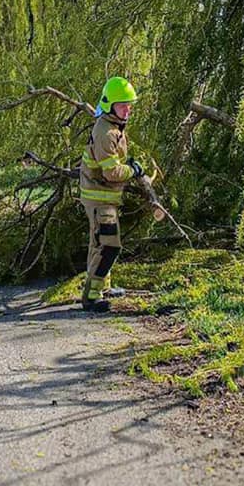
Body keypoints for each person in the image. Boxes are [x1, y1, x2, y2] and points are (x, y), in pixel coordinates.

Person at [78, 76, 145, 312]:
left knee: (98, 244)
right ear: (109, 105)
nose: (127, 109)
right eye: (122, 105)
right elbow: (111, 172)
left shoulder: (113, 126)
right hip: (100, 198)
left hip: (102, 197)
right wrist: (133, 170)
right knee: (109, 246)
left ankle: (103, 287)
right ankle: (91, 297)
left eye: (129, 104)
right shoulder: (106, 132)